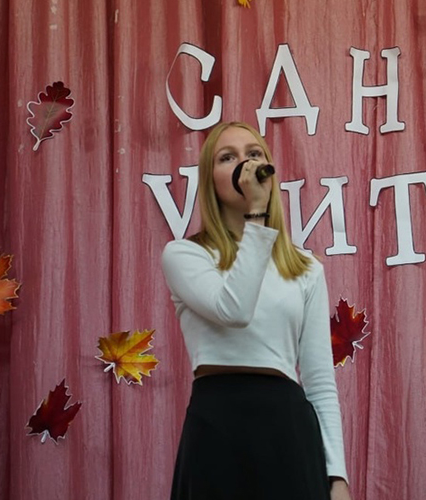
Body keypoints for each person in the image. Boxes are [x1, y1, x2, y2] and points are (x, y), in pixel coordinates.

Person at [161, 121, 351, 500]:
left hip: (288, 432)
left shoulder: (306, 268)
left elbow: (319, 381)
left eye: (253, 154)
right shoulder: (185, 255)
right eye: (227, 157)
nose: (244, 164)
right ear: (209, 179)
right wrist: (257, 217)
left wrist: (336, 476)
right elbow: (233, 309)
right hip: (217, 427)